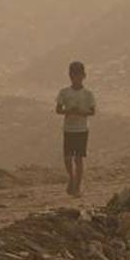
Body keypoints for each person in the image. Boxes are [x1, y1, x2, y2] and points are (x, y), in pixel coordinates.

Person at [55, 60, 96, 197]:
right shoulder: (64, 92)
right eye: (73, 75)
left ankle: (77, 187)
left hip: (81, 129)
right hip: (69, 129)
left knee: (78, 159)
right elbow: (58, 110)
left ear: (83, 75)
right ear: (70, 75)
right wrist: (69, 111)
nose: (76, 77)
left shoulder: (88, 94)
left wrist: (80, 112)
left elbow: (92, 112)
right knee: (67, 158)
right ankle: (71, 178)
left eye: (78, 75)